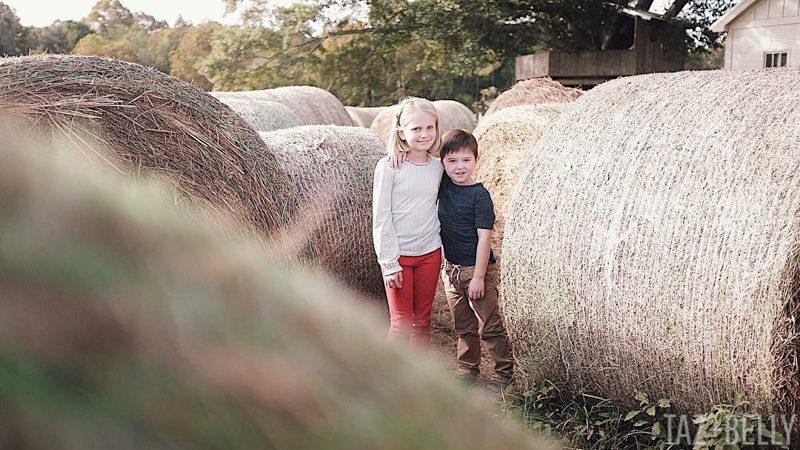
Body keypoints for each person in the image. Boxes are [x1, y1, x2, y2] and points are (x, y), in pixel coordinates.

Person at [437, 129, 514, 394]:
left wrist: (479, 276)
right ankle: (467, 370)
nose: (459, 167)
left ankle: (504, 374)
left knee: (490, 324)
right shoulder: (443, 185)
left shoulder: (480, 196)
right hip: (451, 270)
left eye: (466, 160)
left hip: (476, 269)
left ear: (476, 160)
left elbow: (485, 239)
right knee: (463, 325)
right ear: (443, 162)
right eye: (452, 161)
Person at [372, 97, 443, 351]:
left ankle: (419, 381)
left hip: (430, 253)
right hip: (398, 256)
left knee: (422, 322)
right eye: (416, 129)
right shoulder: (389, 167)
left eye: (429, 127)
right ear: (402, 133)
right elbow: (381, 217)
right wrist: (389, 263)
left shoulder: (439, 167)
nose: (424, 134)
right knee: (401, 323)